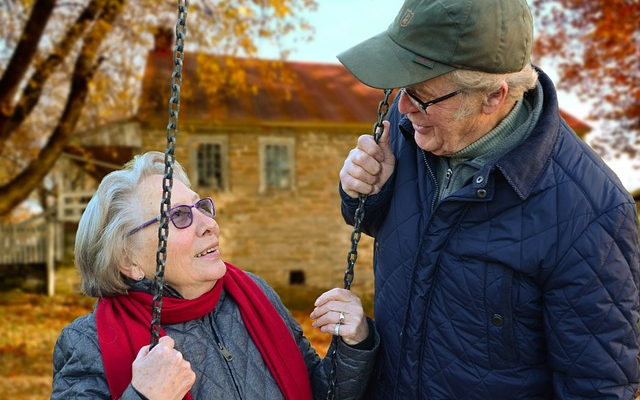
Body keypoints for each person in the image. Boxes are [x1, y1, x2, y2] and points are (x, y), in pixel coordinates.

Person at [336, 0, 640, 398]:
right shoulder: (412, 126)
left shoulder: (590, 213)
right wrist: (364, 193)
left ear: (493, 98)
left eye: (421, 95)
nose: (404, 107)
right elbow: (393, 230)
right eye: (402, 90)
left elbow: (598, 385)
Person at [51, 151, 378, 400]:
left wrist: (352, 343)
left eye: (201, 207)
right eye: (178, 216)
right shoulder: (88, 342)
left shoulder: (254, 295)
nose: (208, 224)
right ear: (127, 260)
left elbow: (318, 391)